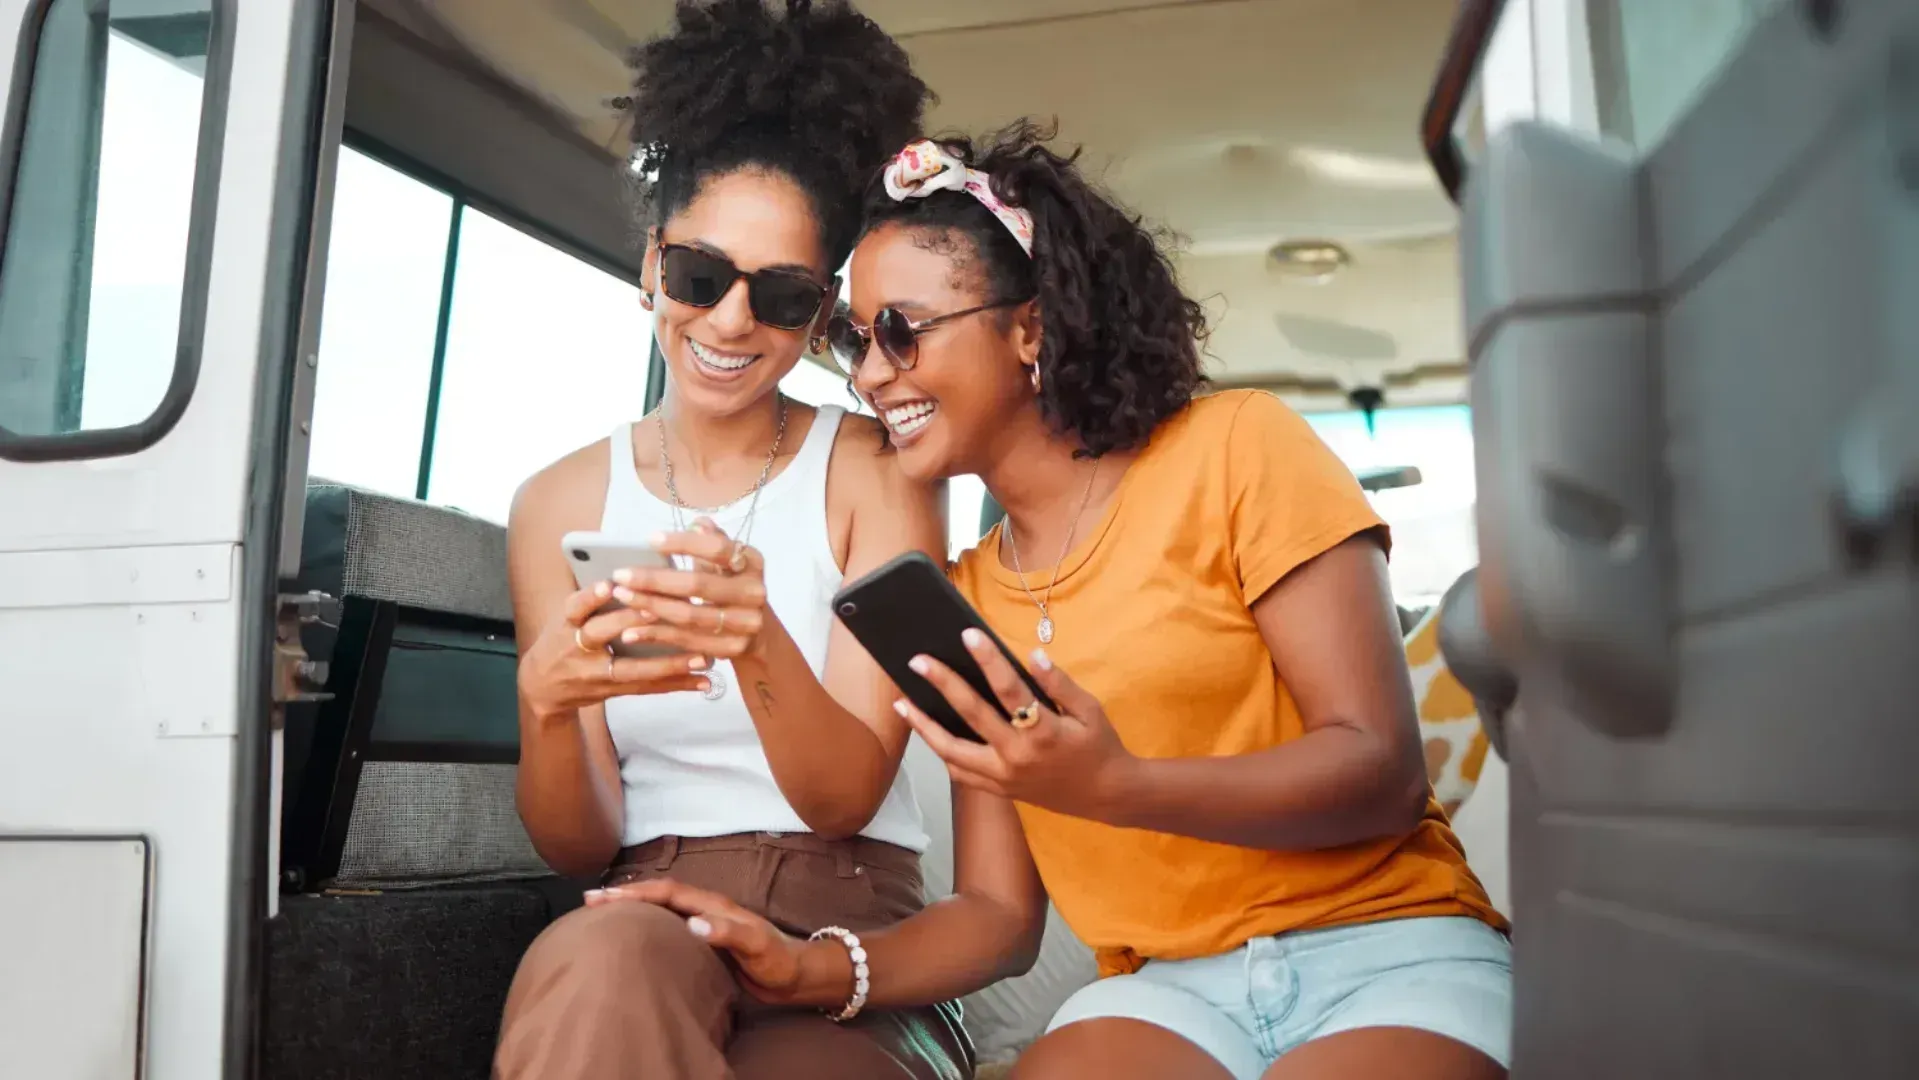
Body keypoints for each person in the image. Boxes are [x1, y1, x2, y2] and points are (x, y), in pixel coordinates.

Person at [592, 122, 1514, 1080]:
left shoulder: (1239, 446)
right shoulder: (961, 597)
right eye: (852, 341)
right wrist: (808, 966)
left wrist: (1117, 787)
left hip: (1390, 950)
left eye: (901, 332)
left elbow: (1380, 770)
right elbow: (996, 918)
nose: (870, 375)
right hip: (1163, 987)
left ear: (1029, 326)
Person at [491, 4, 972, 1078]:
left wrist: (756, 644)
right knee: (600, 964)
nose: (728, 324)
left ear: (819, 315)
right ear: (652, 264)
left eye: (784, 295)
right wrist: (547, 704)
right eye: (701, 276)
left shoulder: (873, 474)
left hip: (849, 919)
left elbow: (845, 796)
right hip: (644, 909)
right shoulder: (552, 503)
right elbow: (575, 844)